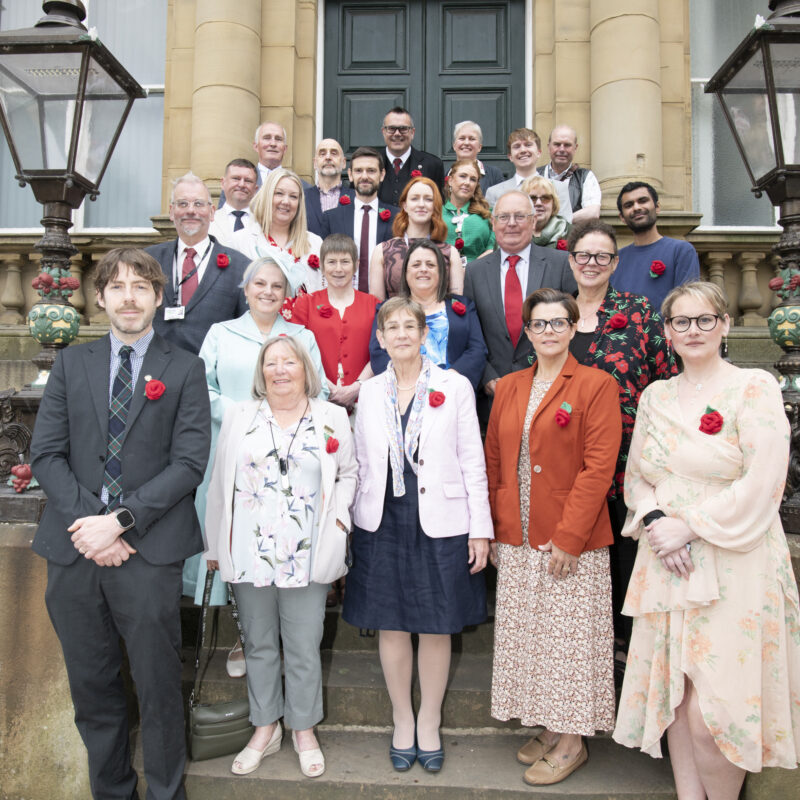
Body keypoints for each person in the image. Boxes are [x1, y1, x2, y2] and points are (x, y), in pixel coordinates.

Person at [30, 247, 211, 800]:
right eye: (117, 287)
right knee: (93, 691)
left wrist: (122, 523)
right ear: (101, 297)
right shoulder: (71, 364)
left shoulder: (185, 366)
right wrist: (94, 525)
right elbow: (46, 455)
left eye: (141, 287)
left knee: (158, 691)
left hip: (149, 554)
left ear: (159, 297)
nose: (128, 297)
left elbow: (189, 463)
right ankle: (110, 792)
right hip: (75, 551)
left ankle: (164, 794)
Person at [613, 281, 800, 798]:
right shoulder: (656, 394)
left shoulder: (754, 386)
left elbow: (765, 479)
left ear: (725, 324)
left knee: (714, 711)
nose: (692, 331)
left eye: (704, 320)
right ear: (667, 332)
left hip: (733, 557)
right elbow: (637, 477)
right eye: (681, 322)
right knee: (677, 696)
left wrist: (688, 526)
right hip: (667, 560)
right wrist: (655, 522)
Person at [343, 296, 492, 773]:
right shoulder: (369, 394)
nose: (403, 334)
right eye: (393, 328)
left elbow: (473, 460)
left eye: (412, 326)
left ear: (425, 335)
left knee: (435, 624)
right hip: (382, 519)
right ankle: (401, 719)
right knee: (391, 623)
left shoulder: (455, 386)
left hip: (442, 520)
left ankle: (429, 721)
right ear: (381, 339)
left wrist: (481, 530)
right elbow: (361, 462)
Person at [485, 287, 621, 786]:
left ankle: (572, 742)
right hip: (518, 529)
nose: (548, 332)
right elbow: (496, 462)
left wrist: (569, 538)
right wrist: (500, 531)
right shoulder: (512, 385)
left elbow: (598, 467)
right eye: (539, 324)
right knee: (533, 635)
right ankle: (549, 724)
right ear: (527, 330)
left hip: (571, 536)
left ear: (572, 328)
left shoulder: (595, 384)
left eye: (558, 323)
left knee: (569, 640)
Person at [204, 335, 357, 780]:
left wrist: (340, 521)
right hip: (250, 549)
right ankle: (264, 726)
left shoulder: (331, 416)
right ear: (261, 372)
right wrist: (215, 544)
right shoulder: (239, 415)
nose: (280, 369)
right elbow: (219, 484)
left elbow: (348, 473)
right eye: (271, 363)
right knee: (259, 644)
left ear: (305, 368)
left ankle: (304, 728)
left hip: (307, 550)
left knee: (305, 645)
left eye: (289, 361)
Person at [183, 253, 328, 675]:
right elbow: (200, 387)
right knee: (235, 540)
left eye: (276, 286)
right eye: (259, 284)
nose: (267, 291)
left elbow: (315, 391)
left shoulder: (301, 336)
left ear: (286, 295)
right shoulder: (220, 333)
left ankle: (281, 639)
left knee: (282, 540)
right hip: (230, 451)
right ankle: (241, 638)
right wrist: (241, 412)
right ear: (245, 290)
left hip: (288, 458)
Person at [560, 220, 676, 665]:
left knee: (626, 567)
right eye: (583, 255)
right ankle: (585, 667)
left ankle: (630, 667)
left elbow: (666, 383)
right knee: (582, 574)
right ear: (571, 260)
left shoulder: (640, 312)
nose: (592, 263)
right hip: (568, 469)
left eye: (601, 256)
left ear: (615, 262)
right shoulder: (554, 312)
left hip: (629, 466)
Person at [463, 190, 576, 425]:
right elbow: (471, 333)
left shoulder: (561, 264)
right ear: (493, 224)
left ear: (534, 221)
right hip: (493, 396)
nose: (511, 223)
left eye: (520, 216)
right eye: (503, 217)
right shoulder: (475, 272)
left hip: (551, 391)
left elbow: (573, 325)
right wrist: (488, 378)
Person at [146, 172, 250, 354]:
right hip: (155, 372)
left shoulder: (240, 266)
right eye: (183, 204)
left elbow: (246, 328)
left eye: (199, 204)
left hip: (211, 374)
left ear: (212, 213)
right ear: (171, 212)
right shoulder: (148, 261)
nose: (191, 210)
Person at [369, 239, 487, 390]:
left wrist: (449, 379)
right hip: (403, 392)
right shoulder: (386, 309)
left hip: (453, 390)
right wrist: (409, 383)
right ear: (405, 272)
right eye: (416, 265)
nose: (423, 269)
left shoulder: (464, 306)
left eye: (431, 265)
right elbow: (378, 352)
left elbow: (477, 349)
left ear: (441, 272)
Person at [292, 234, 378, 408]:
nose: (338, 269)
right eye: (331, 262)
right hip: (316, 399)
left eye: (345, 262)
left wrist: (356, 387)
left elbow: (380, 351)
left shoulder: (373, 304)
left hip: (363, 400)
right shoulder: (305, 303)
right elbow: (297, 350)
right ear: (322, 266)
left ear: (356, 265)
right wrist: (324, 384)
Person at [233, 167, 324, 299]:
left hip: (304, 319)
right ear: (267, 196)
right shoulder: (240, 241)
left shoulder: (315, 242)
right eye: (279, 193)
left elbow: (323, 293)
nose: (286, 202)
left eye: (293, 196)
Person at [611, 181, 701, 311]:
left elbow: (687, 304)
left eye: (643, 201)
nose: (636, 207)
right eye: (629, 205)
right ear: (622, 217)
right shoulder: (615, 260)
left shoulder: (681, 251)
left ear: (657, 207)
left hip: (666, 330)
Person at [319, 147, 399, 292]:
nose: (364, 176)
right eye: (358, 171)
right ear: (350, 175)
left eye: (371, 171)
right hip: (343, 300)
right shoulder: (332, 218)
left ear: (382, 175)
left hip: (384, 303)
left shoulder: (397, 217)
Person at [369, 176, 462, 300]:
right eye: (414, 199)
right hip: (396, 318)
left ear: (435, 206)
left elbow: (456, 302)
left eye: (428, 199)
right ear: (405, 206)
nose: (421, 204)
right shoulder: (382, 251)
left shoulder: (450, 253)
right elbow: (377, 305)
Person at [219, 121, 309, 207]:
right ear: (256, 146)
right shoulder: (234, 184)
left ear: (284, 149)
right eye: (267, 138)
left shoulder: (303, 187)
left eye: (278, 139)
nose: (273, 143)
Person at [378, 106, 445, 205]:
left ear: (412, 132)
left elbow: (439, 206)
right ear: (383, 132)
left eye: (403, 129)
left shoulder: (432, 165)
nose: (397, 133)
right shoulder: (370, 162)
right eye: (391, 128)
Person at [536, 125, 601, 224]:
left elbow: (593, 212)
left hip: (573, 238)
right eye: (557, 144)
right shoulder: (534, 176)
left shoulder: (586, 177)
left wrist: (556, 222)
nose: (562, 149)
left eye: (567, 145)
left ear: (575, 148)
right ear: (549, 147)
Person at [443, 159, 495, 263]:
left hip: (480, 272)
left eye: (473, 179)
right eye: (462, 176)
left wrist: (472, 269)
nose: (467, 183)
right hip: (443, 273)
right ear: (450, 180)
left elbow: (493, 248)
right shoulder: (436, 213)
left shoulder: (488, 214)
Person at [485, 128, 542, 208]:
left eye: (528, 145)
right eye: (517, 146)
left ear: (539, 152)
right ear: (510, 157)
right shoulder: (494, 193)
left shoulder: (557, 188)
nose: (523, 150)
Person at [304, 138, 351, 237]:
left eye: (334, 153)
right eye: (322, 154)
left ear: (343, 163)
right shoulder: (301, 197)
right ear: (315, 163)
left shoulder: (356, 198)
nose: (328, 157)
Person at [209, 158, 260, 247]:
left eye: (248, 181)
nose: (241, 185)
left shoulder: (264, 224)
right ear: (223, 183)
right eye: (236, 178)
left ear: (255, 189)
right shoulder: (208, 222)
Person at [450, 120, 504, 192]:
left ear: (479, 147)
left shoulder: (494, 175)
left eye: (472, 139)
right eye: (462, 138)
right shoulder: (446, 175)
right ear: (454, 146)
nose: (466, 143)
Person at [520, 174, 571, 249]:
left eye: (545, 198)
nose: (538, 203)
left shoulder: (570, 232)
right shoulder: (513, 232)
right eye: (532, 198)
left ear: (553, 203)